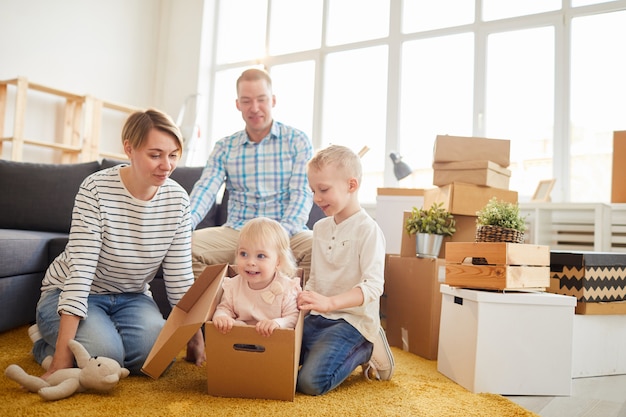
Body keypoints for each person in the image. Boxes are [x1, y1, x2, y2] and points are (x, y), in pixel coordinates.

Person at [30, 109, 205, 378]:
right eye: (155, 155)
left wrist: (195, 338)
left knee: (153, 358)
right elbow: (80, 272)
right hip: (74, 292)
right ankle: (45, 345)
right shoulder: (95, 189)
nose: (166, 165)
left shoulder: (178, 200)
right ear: (129, 149)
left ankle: (100, 335)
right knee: (105, 358)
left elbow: (180, 277)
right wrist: (61, 362)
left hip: (132, 296)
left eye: (173, 155)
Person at [189, 67, 314, 281]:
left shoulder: (297, 141)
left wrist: (275, 239)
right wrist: (183, 225)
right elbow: (205, 189)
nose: (254, 108)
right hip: (238, 232)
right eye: (246, 101)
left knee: (319, 249)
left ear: (273, 100)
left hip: (286, 232)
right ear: (237, 104)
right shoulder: (225, 147)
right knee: (187, 247)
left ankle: (293, 312)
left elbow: (301, 194)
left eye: (261, 99)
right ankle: (223, 307)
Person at [296, 144, 395, 396]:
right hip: (318, 318)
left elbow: (373, 287)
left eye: (324, 189)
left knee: (309, 382)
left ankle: (368, 346)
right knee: (274, 361)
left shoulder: (368, 230)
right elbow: (315, 279)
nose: (317, 198)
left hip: (352, 322)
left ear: (351, 185)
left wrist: (330, 303)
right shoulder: (319, 228)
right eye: (313, 190)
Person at [212, 217, 301, 337]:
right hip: (240, 340)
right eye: (244, 254)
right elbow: (225, 307)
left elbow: (293, 317)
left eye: (260, 256)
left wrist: (277, 323)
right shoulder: (233, 285)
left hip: (272, 341)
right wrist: (222, 317)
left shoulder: (287, 287)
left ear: (278, 262)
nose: (250, 262)